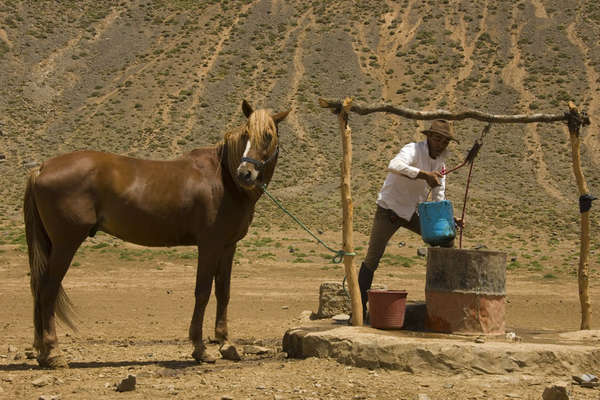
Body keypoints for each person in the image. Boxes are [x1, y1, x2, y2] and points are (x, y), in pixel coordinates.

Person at [358, 119, 460, 318]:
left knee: (447, 239)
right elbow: (394, 165)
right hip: (389, 211)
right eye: (438, 139)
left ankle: (445, 297)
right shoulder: (412, 150)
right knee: (372, 258)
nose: (440, 144)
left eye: (445, 142)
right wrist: (423, 175)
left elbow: (439, 194)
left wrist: (446, 219)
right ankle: (359, 309)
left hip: (413, 213)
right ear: (429, 137)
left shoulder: (441, 164)